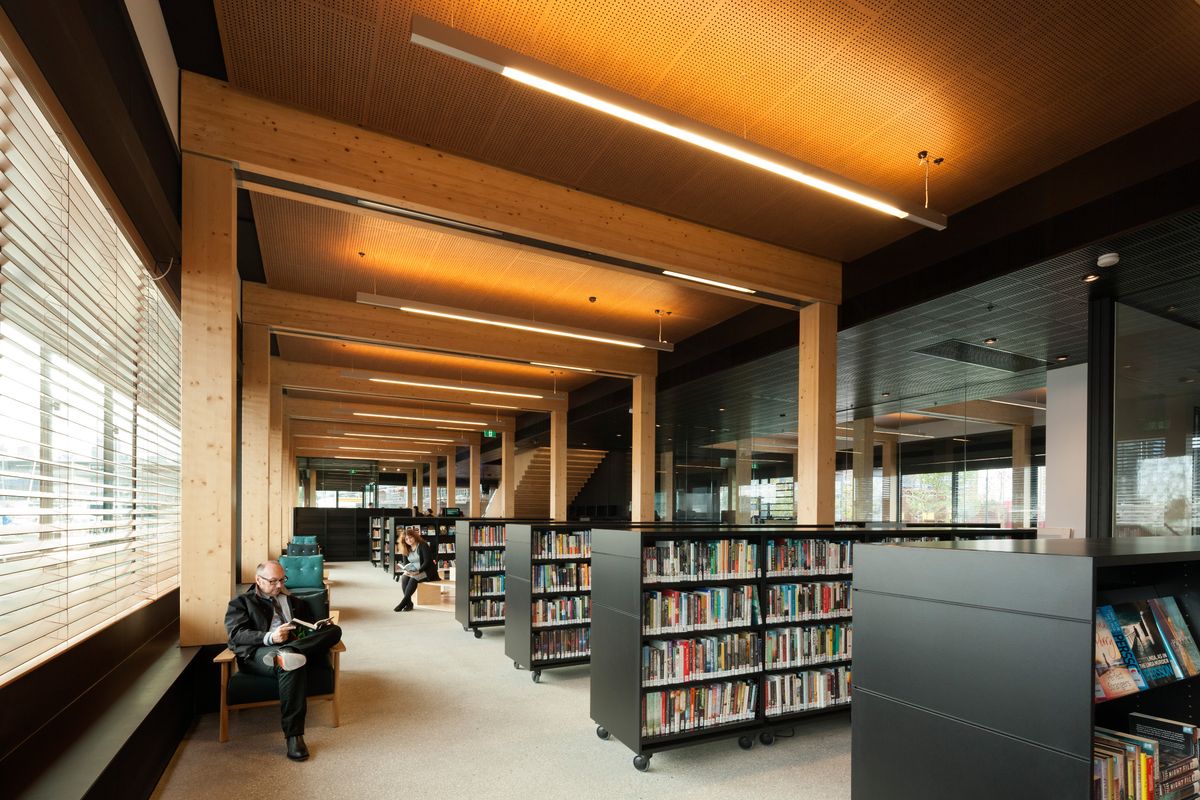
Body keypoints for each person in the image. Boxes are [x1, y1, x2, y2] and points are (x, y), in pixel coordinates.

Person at [224, 560, 343, 761]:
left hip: (295, 646)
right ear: (258, 580)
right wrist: (271, 637)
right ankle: (294, 736)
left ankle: (290, 651)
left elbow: (308, 628)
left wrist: (315, 630)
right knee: (290, 662)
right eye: (273, 581)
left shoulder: (295, 602)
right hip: (261, 652)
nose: (279, 586)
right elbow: (236, 634)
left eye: (282, 580)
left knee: (334, 631)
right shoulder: (241, 602)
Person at [394, 527, 437, 612]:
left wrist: (418, 572)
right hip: (413, 571)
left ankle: (404, 602)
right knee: (404, 578)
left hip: (426, 571)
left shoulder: (422, 545)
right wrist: (407, 571)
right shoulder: (405, 547)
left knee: (413, 579)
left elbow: (427, 561)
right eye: (406, 539)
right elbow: (406, 563)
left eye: (410, 537)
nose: (409, 540)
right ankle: (409, 603)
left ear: (414, 536)